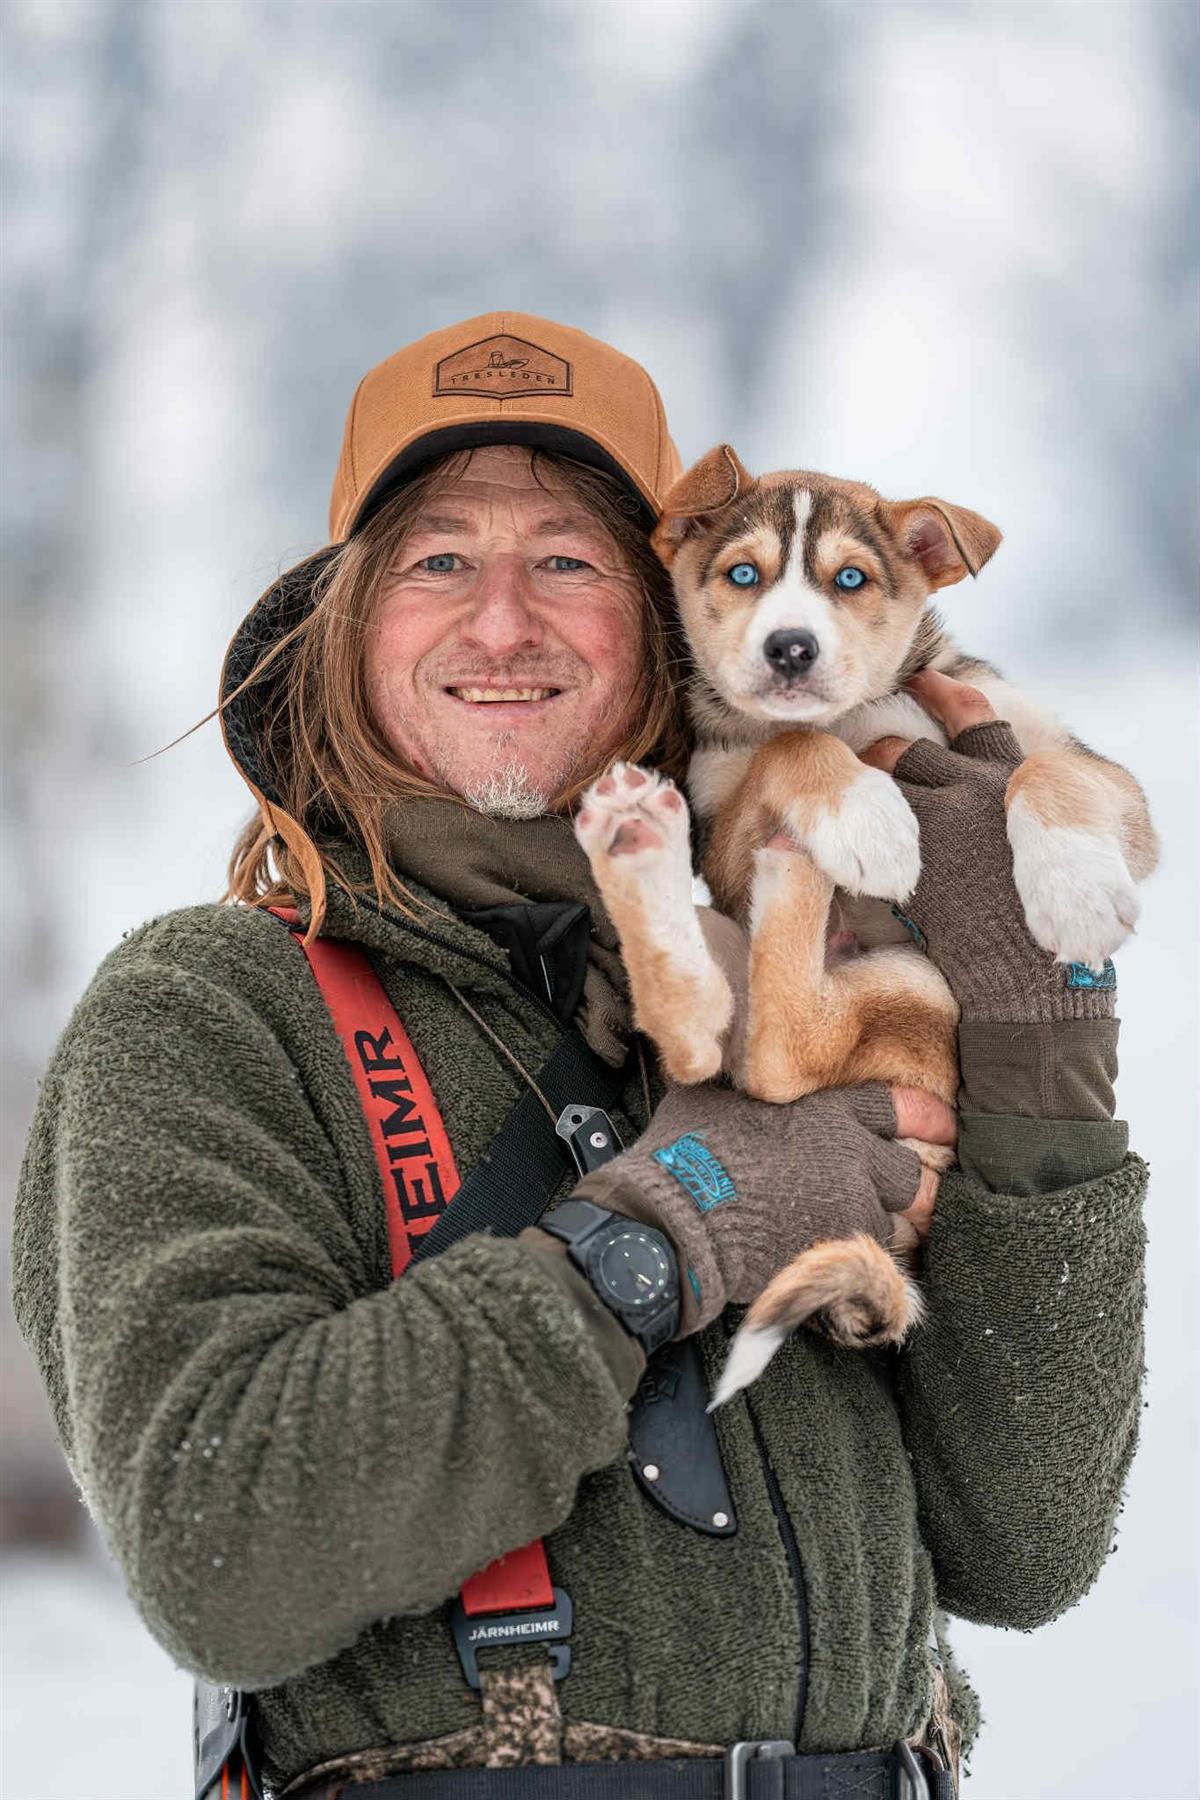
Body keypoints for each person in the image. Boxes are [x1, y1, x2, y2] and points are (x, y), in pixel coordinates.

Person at [12, 312, 1147, 1800]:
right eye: (437, 561)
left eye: (566, 560)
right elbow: (217, 1549)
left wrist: (1040, 1039)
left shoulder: (792, 956)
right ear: (345, 627)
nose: (502, 624)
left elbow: (1027, 1547)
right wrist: (665, 1228)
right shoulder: (208, 1011)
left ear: (677, 619)